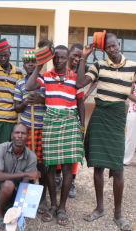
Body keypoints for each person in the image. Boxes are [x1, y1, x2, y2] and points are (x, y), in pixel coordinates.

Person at [76, 32, 135, 230]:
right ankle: (100, 208)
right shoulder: (98, 65)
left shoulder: (133, 66)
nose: (112, 50)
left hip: (118, 117)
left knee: (118, 168)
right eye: (107, 48)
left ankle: (118, 214)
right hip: (100, 115)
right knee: (99, 166)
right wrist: (84, 57)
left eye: (113, 45)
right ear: (104, 50)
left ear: (118, 44)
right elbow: (80, 83)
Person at [25, 45, 85, 226]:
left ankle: (62, 207)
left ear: (68, 58)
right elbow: (29, 86)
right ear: (52, 59)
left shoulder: (75, 79)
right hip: (50, 123)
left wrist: (82, 128)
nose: (59, 61)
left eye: (62, 58)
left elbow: (81, 103)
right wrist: (39, 65)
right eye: (56, 58)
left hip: (69, 122)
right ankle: (52, 206)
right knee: (51, 167)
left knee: (67, 169)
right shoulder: (46, 76)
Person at [14, 43, 47, 214]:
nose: (31, 65)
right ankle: (24, 197)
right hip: (27, 129)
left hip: (42, 128)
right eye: (27, 62)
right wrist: (27, 101)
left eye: (34, 61)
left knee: (41, 164)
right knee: (26, 163)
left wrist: (41, 99)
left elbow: (51, 103)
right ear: (23, 64)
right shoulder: (20, 83)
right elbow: (17, 108)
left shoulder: (45, 81)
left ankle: (42, 198)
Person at [55, 43, 91, 198]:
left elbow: (81, 102)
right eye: (75, 55)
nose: (77, 58)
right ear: (69, 54)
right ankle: (57, 177)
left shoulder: (79, 76)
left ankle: (72, 181)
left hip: (73, 119)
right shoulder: (58, 72)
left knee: (73, 151)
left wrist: (82, 127)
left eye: (80, 56)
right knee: (57, 148)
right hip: (57, 118)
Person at [0, 122, 41, 231]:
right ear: (12, 135)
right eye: (17, 132)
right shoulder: (2, 148)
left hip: (18, 190)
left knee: (17, 211)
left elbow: (24, 185)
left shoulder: (31, 157)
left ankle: (13, 208)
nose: (19, 136)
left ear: (27, 137)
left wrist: (22, 209)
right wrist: (26, 173)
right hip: (2, 187)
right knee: (8, 184)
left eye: (23, 133)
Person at [0, 38, 24, 166]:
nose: (3, 58)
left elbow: (22, 93)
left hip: (11, 118)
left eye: (5, 55)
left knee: (8, 154)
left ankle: (5, 182)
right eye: (0, 55)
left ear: (10, 55)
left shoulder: (18, 72)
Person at [124, 82, 136, 165]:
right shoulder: (133, 81)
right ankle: (125, 160)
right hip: (134, 111)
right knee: (130, 137)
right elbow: (128, 93)